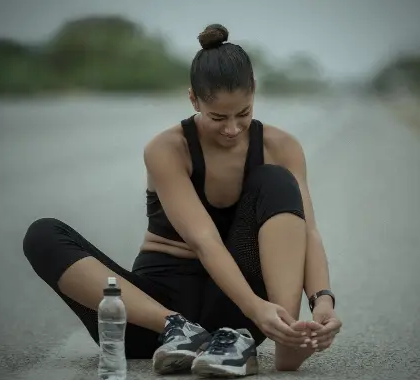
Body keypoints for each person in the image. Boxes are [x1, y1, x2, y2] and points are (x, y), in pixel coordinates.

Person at [22, 23, 342, 378]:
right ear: (193, 100)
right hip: (156, 317)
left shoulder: (280, 146)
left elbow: (308, 232)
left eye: (244, 114)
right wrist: (254, 308)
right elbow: (203, 241)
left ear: (254, 94)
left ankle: (288, 336)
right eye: (218, 117)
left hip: (236, 319)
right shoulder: (167, 149)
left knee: (277, 179)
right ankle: (180, 329)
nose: (233, 129)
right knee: (42, 234)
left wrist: (321, 301)